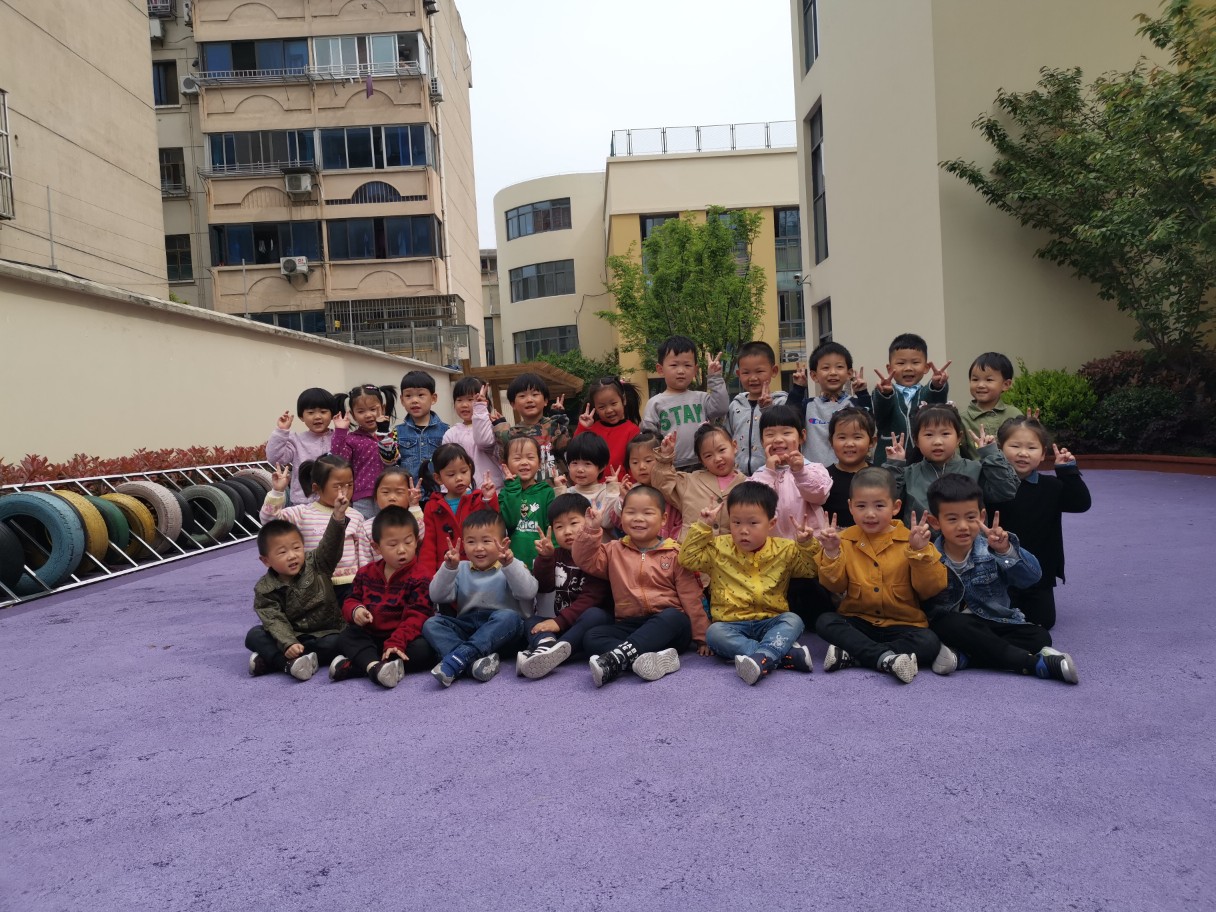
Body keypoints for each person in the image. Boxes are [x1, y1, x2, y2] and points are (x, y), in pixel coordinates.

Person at [922, 474, 1078, 683]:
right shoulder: (929, 555)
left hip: (993, 620)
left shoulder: (992, 549)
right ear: (935, 522)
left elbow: (1031, 578)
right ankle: (1030, 663)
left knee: (1039, 636)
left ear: (982, 516)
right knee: (949, 624)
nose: (963, 526)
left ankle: (964, 657)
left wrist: (1005, 551)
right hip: (955, 626)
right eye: (952, 519)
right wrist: (918, 553)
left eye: (971, 517)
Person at [812, 468, 947, 683]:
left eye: (879, 506)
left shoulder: (912, 540)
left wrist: (920, 552)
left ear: (896, 507)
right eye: (861, 506)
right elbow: (835, 586)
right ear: (850, 507)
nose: (870, 514)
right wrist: (831, 553)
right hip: (858, 621)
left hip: (903, 624)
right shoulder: (843, 540)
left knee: (929, 642)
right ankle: (888, 658)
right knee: (825, 621)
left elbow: (930, 589)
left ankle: (856, 656)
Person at [678, 483, 818, 685]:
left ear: (771, 523)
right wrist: (703, 526)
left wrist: (806, 545)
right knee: (714, 634)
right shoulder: (718, 547)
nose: (743, 530)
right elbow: (687, 559)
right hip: (731, 624)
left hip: (771, 621)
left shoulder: (785, 549)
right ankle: (776, 655)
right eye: (736, 522)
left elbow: (810, 570)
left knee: (793, 620)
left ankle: (763, 656)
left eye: (753, 523)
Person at [573, 487, 707, 686]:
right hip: (630, 624)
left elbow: (691, 597)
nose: (638, 518)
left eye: (647, 513)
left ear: (663, 519)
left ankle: (617, 658)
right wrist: (591, 529)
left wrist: (702, 636)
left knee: (674, 617)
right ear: (622, 516)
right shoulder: (613, 550)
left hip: (666, 628)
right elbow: (584, 559)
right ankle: (644, 659)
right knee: (592, 637)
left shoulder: (675, 553)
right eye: (631, 512)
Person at [990, 416, 1092, 629]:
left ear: (1043, 453)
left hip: (1039, 573)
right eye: (1015, 446)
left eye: (1031, 447)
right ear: (1000, 449)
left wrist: (1067, 471)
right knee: (999, 620)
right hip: (998, 571)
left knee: (1043, 621)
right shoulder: (990, 486)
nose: (1023, 453)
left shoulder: (1050, 486)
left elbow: (1081, 503)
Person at [423, 510, 538, 686]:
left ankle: (461, 656)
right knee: (432, 624)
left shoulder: (511, 565)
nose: (478, 548)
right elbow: (437, 595)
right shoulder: (459, 567)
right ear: (463, 544)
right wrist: (448, 568)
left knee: (509, 617)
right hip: (469, 626)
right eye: (471, 542)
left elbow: (528, 592)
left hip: (503, 633)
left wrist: (509, 565)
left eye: (486, 541)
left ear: (503, 542)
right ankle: (472, 664)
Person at [245, 495, 351, 681]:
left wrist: (338, 517)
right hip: (292, 637)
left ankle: (275, 660)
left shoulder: (317, 563)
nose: (292, 556)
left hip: (327, 633)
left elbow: (331, 545)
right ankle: (290, 661)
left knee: (346, 639)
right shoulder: (264, 588)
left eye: (296, 548)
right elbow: (274, 620)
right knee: (254, 635)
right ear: (266, 560)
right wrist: (288, 643)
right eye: (282, 552)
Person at [330, 506, 437, 689]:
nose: (402, 550)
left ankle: (362, 666)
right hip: (371, 635)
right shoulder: (365, 573)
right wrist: (356, 611)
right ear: (377, 547)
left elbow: (417, 616)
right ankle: (376, 667)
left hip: (403, 638)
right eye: (393, 545)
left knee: (425, 651)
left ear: (416, 542)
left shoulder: (422, 576)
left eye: (408, 542)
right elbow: (351, 600)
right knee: (347, 636)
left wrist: (397, 642)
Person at [516, 493, 613, 679]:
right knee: (531, 621)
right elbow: (544, 587)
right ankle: (546, 646)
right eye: (559, 527)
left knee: (595, 615)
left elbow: (592, 598)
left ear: (588, 521)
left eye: (574, 523)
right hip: (563, 622)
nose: (567, 531)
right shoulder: (556, 554)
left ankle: (550, 650)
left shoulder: (597, 555)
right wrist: (545, 558)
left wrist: (559, 622)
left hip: (588, 622)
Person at [259, 456, 370, 604]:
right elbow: (269, 521)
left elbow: (362, 552)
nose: (345, 491)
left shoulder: (356, 516)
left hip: (349, 584)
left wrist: (366, 581)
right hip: (314, 584)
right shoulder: (302, 513)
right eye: (337, 486)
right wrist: (277, 491)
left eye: (349, 485)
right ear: (316, 487)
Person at [884, 402, 1019, 523]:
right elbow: (886, 504)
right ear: (916, 441)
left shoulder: (976, 469)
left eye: (945, 434)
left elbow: (1005, 491)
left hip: (969, 542)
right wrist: (894, 465)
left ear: (959, 437)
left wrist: (990, 454)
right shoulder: (908, 474)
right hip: (920, 542)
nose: (937, 442)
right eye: (929, 435)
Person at [640, 335, 730, 471]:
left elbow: (721, 408)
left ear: (695, 370)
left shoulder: (702, 398)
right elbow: (649, 438)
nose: (681, 371)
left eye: (687, 365)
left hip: (704, 464)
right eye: (674, 365)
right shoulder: (655, 403)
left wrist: (715, 377)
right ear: (660, 369)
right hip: (670, 465)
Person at [651, 424, 747, 541]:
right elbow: (662, 483)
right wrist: (665, 457)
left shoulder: (748, 484)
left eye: (722, 450)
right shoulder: (689, 481)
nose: (717, 458)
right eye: (708, 455)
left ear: (734, 446)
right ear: (701, 460)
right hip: (691, 550)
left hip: (730, 552)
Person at [415, 443, 498, 578]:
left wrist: (489, 498)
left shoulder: (478, 499)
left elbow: (494, 522)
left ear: (470, 469)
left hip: (478, 570)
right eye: (451, 474)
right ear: (438, 478)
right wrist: (426, 578)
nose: (459, 478)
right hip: (445, 572)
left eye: (464, 471)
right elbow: (428, 546)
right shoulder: (433, 506)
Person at [787, 341, 872, 466]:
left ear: (849, 373)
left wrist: (863, 394)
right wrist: (798, 389)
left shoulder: (855, 404)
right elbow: (788, 420)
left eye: (839, 367)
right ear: (814, 375)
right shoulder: (808, 406)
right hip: (812, 474)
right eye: (826, 368)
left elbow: (870, 424)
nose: (833, 372)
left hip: (850, 472)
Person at [872, 332, 950, 465]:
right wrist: (885, 394)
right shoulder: (884, 391)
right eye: (901, 363)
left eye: (915, 362)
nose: (908, 368)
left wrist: (937, 386)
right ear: (889, 369)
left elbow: (937, 402)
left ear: (926, 367)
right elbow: (881, 410)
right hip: (889, 459)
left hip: (923, 462)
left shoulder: (928, 391)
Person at [331, 383, 401, 516]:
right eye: (361, 411)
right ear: (353, 414)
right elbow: (339, 460)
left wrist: (383, 431)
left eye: (373, 409)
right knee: (362, 527)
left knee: (387, 526)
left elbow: (391, 459)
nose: (368, 415)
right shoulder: (351, 438)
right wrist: (340, 431)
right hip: (362, 496)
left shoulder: (392, 434)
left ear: (383, 408)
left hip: (390, 493)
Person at [725, 341, 788, 475]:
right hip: (740, 476)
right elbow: (727, 438)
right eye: (746, 372)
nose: (753, 378)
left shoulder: (782, 403)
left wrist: (769, 409)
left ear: (774, 371)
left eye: (759, 371)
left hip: (774, 474)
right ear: (738, 374)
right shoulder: (735, 405)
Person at [265, 387, 336, 504]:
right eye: (311, 412)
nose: (317, 416)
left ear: (332, 414)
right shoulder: (296, 440)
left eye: (323, 412)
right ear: (301, 416)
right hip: (303, 503)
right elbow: (275, 458)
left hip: (335, 502)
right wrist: (281, 431)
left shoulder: (339, 439)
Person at [493, 372, 570, 479]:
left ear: (545, 401)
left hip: (557, 486)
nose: (529, 400)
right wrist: (500, 425)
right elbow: (504, 458)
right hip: (526, 488)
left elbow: (564, 447)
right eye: (522, 396)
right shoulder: (512, 434)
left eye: (535, 394)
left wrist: (557, 418)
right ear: (513, 404)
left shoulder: (553, 425)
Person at [498, 435, 555, 568]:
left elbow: (553, 528)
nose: (524, 462)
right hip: (513, 563)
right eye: (517, 458)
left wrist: (553, 554)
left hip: (541, 561)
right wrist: (512, 488)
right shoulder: (505, 494)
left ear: (539, 463)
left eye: (530, 457)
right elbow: (510, 522)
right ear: (505, 464)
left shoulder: (547, 492)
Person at [617, 431, 682, 541]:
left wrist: (673, 546)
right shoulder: (631, 490)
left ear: (660, 458)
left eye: (648, 460)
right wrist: (624, 498)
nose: (642, 466)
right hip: (638, 547)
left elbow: (681, 522)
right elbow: (618, 523)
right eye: (635, 462)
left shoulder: (671, 489)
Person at [442, 377, 505, 490]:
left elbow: (483, 441)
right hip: (463, 493)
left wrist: (479, 408)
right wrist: (446, 491)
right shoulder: (450, 434)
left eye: (471, 399)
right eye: (459, 400)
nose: (464, 405)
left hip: (493, 490)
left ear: (484, 403)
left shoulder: (492, 427)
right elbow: (445, 465)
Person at [573, 376, 642, 473]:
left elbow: (636, 464)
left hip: (622, 482)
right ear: (595, 408)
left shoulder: (632, 431)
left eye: (613, 403)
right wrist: (583, 428)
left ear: (624, 400)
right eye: (602, 407)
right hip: (593, 482)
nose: (609, 410)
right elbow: (576, 452)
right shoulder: (592, 429)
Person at [822, 407, 876, 528]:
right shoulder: (823, 477)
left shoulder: (879, 477)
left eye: (857, 437)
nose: (849, 444)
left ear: (872, 442)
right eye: (842, 437)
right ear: (831, 441)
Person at [553, 432, 621, 526]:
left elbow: (607, 523)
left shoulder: (607, 493)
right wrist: (560, 491)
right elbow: (560, 520)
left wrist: (613, 490)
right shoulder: (568, 493)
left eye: (587, 464)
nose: (580, 469)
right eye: (575, 463)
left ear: (601, 467)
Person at [395, 370, 449, 483]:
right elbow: (393, 465)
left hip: (438, 491)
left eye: (420, 395)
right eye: (408, 396)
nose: (414, 400)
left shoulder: (446, 431)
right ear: (402, 400)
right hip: (409, 491)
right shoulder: (396, 432)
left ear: (433, 398)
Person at [962, 352, 1023, 443]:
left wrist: (1033, 429)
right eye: (975, 379)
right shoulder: (963, 419)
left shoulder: (1014, 414)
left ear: (1006, 384)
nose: (980, 385)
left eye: (989, 380)